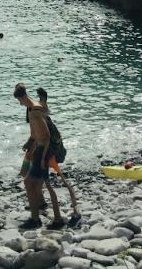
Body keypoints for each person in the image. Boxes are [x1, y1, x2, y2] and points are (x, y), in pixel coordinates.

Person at [36, 87, 81, 227]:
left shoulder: (40, 116)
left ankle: (63, 217)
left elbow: (47, 138)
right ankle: (74, 211)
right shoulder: (45, 112)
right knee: (61, 181)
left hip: (51, 154)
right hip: (56, 151)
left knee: (56, 183)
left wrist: (43, 157)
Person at [14, 83, 55, 229]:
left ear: (23, 97)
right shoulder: (31, 108)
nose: (19, 103)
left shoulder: (34, 109)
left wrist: (41, 154)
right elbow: (34, 131)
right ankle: (40, 204)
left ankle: (36, 216)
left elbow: (45, 135)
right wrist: (29, 144)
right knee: (27, 174)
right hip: (35, 145)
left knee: (29, 180)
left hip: (40, 148)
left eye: (19, 100)